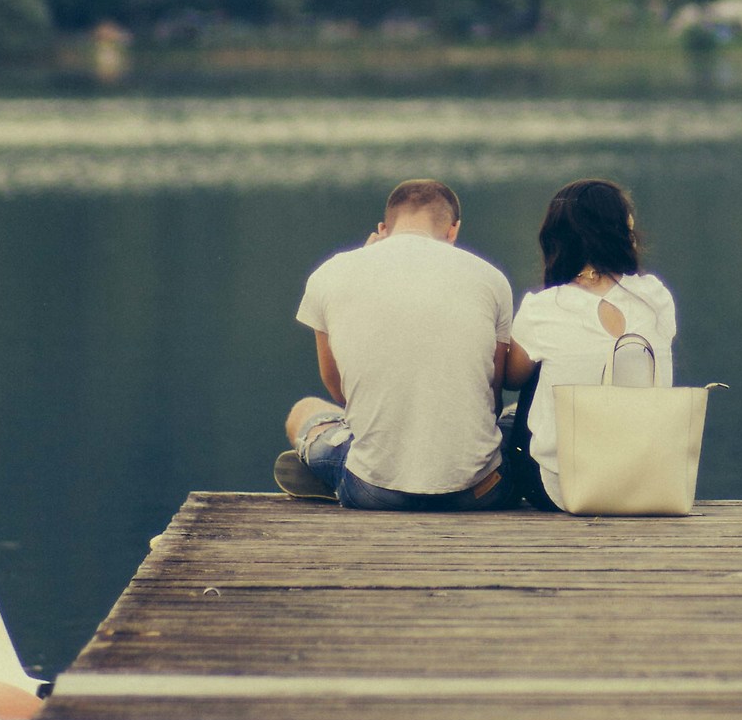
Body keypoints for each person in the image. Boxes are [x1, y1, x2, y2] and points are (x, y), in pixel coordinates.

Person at [276, 176, 513, 510]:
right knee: (515, 419)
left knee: (307, 412)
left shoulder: (330, 275)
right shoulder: (490, 279)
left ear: (383, 228)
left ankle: (331, 467)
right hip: (478, 490)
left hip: (374, 489)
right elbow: (493, 394)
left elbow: (339, 390)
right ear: (453, 230)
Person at [504, 177, 677, 512]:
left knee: (516, 410)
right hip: (647, 480)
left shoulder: (544, 307)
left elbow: (512, 379)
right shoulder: (656, 296)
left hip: (564, 489)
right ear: (625, 231)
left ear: (555, 238)